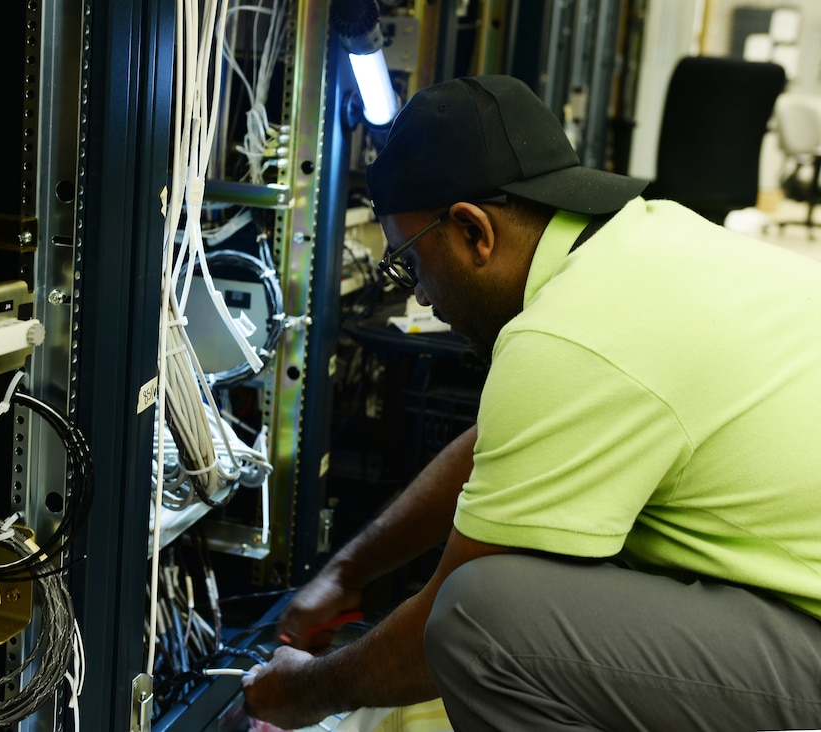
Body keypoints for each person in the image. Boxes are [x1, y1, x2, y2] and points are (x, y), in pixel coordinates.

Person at [242, 74, 821, 731]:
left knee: (478, 619)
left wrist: (300, 694)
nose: (421, 296)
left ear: (473, 231)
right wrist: (349, 572)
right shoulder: (640, 240)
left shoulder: (568, 336)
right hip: (792, 600)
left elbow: (446, 631)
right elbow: (501, 440)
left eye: (410, 262)